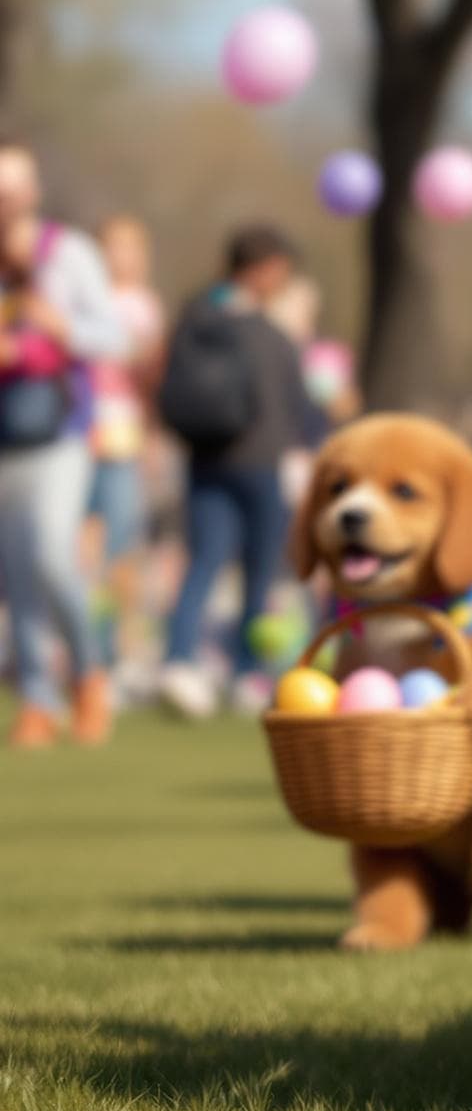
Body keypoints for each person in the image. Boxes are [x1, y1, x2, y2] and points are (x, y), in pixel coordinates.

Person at [158, 226, 321, 718]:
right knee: (258, 570)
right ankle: (245, 670)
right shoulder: (267, 331)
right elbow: (295, 403)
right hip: (261, 464)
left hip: (206, 459)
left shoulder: (196, 313)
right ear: (267, 268)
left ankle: (180, 661)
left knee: (204, 562)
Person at [0, 148, 131, 749]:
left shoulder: (69, 253)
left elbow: (116, 336)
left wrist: (62, 330)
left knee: (53, 555)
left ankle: (89, 673)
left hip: (59, 432)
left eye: (13, 188)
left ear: (33, 191)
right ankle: (37, 698)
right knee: (16, 572)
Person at [86, 217, 166, 652]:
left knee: (121, 548)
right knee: (78, 549)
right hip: (79, 436)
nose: (124, 256)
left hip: (125, 439)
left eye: (133, 247)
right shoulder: (83, 299)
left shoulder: (145, 305)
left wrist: (153, 437)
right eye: (115, 246)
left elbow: (150, 384)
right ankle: (73, 647)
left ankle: (112, 648)